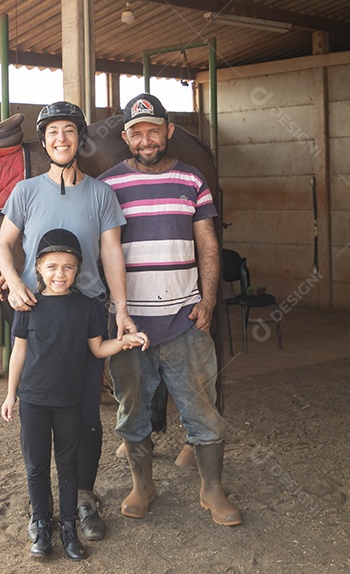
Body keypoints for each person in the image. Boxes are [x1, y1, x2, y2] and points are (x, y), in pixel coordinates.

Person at [0, 100, 136, 541]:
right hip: (36, 312)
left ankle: (83, 498)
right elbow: (4, 245)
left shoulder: (100, 193)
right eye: (53, 132)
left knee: (86, 413)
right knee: (39, 406)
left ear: (79, 139)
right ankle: (42, 510)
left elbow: (112, 251)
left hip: (86, 313)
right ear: (45, 140)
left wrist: (122, 308)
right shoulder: (25, 191)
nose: (61, 139)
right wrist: (13, 280)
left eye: (69, 131)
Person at [100, 93, 242, 526]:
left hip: (185, 318)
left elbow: (208, 243)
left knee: (203, 407)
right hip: (129, 325)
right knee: (132, 409)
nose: (146, 139)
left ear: (169, 132)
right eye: (137, 132)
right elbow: (97, 251)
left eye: (154, 130)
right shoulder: (107, 186)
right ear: (126, 138)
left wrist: (210, 299)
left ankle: (211, 488)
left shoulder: (192, 180)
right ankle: (143, 485)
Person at [1, 229, 149, 560]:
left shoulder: (86, 308)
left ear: (77, 269)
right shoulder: (28, 307)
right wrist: (11, 395)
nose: (60, 274)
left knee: (68, 466)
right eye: (52, 266)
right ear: (39, 268)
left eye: (68, 267)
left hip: (70, 400)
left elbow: (97, 350)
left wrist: (126, 341)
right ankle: (41, 524)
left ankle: (68, 526)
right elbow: (19, 353)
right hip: (34, 400)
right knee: (36, 466)